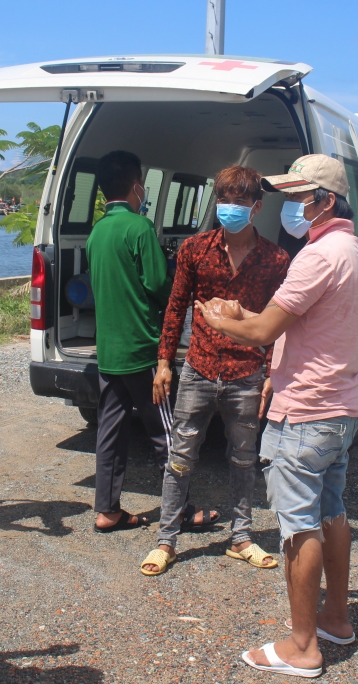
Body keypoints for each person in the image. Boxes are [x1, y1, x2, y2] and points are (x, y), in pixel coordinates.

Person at [197, 154, 358, 679]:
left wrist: (216, 320)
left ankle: (302, 646)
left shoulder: (315, 257)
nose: (291, 208)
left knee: (297, 528)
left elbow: (261, 333)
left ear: (325, 201)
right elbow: (289, 321)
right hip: (340, 408)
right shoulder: (350, 249)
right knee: (331, 513)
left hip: (305, 413)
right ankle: (335, 618)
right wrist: (247, 315)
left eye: (300, 198)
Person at [140, 166, 289, 577]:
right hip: (198, 370)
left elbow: (279, 320)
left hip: (246, 373)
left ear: (256, 207)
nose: (231, 208)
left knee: (243, 459)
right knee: (181, 456)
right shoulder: (195, 249)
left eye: (240, 201)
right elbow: (175, 305)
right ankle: (166, 541)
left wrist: (273, 373)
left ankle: (241, 537)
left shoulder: (275, 259)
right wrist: (164, 362)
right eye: (224, 200)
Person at [85, 150, 214, 533]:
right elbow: (160, 286)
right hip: (142, 350)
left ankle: (107, 508)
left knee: (110, 432)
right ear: (137, 186)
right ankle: (181, 509)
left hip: (108, 351)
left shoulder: (97, 232)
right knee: (166, 434)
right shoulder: (138, 229)